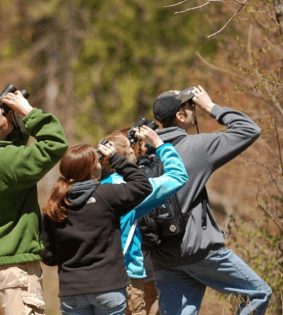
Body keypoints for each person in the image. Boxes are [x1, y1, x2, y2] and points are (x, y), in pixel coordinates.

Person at [149, 85, 272, 315]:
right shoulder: (196, 147)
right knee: (259, 293)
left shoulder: (145, 154)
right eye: (190, 105)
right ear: (180, 115)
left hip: (162, 257)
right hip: (199, 253)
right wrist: (211, 107)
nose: (193, 109)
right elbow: (249, 129)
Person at [41, 126, 177, 315]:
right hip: (109, 287)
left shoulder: (55, 205)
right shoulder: (106, 195)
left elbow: (48, 256)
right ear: (92, 169)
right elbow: (142, 186)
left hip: (72, 290)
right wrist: (116, 159)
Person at [0, 90, 68, 315]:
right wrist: (28, 112)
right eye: (4, 118)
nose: (9, 118)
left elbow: (3, 146)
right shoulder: (12, 164)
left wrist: (9, 121)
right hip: (15, 269)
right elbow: (56, 143)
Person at [100, 130, 187, 315]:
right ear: (124, 157)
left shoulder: (91, 186)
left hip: (93, 278)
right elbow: (178, 176)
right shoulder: (131, 191)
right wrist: (158, 142)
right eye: (131, 148)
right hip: (126, 276)